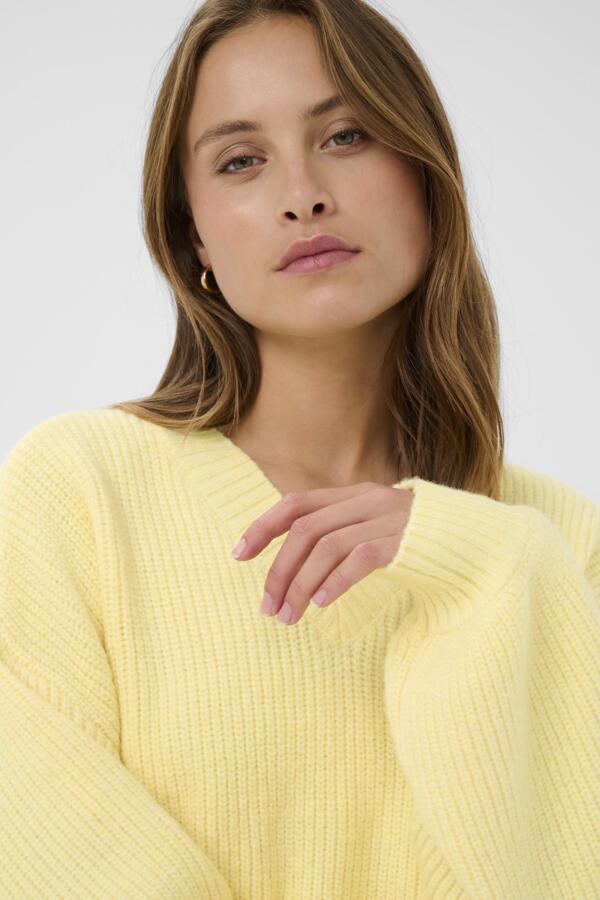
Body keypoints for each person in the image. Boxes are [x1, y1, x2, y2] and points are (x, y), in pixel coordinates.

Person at [1, 1, 598, 898]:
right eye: (241, 160)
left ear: (426, 174)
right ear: (194, 234)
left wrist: (486, 562)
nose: (303, 194)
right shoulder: (79, 491)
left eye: (346, 135)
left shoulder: (557, 543)